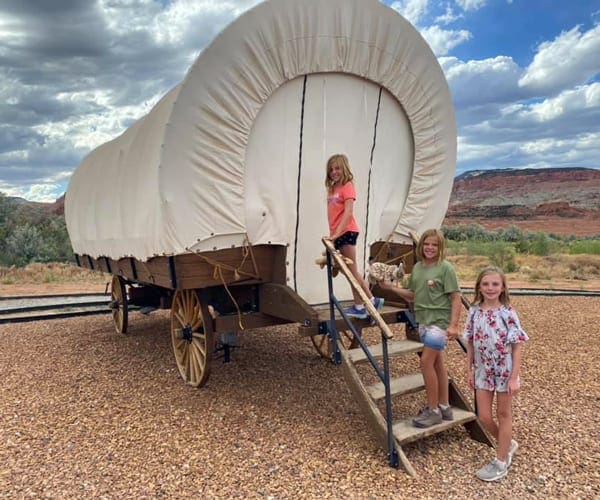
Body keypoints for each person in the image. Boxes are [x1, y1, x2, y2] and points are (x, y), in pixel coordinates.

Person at [378, 229, 461, 428]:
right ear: (421, 246)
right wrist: (390, 288)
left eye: (434, 245)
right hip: (423, 321)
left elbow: (456, 297)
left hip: (439, 323)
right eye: (426, 244)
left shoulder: (446, 268)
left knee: (425, 363)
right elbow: (413, 295)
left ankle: (433, 412)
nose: (430, 248)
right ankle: (444, 406)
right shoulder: (418, 269)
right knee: (437, 364)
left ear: (440, 247)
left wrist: (454, 325)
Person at [464, 266, 529, 482]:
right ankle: (507, 443)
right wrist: (470, 370)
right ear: (479, 287)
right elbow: (471, 343)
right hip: (483, 370)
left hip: (504, 370)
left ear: (502, 288)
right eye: (486, 284)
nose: (490, 288)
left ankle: (501, 461)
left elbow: (517, 347)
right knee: (483, 416)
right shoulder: (474, 311)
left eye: (495, 284)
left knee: (504, 414)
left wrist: (513, 378)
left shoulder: (508, 313)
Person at [325, 153, 384, 319]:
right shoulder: (333, 188)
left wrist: (336, 234)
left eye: (337, 168)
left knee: (351, 271)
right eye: (331, 169)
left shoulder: (347, 185)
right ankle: (371, 300)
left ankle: (363, 305)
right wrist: (333, 234)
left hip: (347, 231)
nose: (334, 172)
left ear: (344, 168)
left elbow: (348, 212)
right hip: (337, 233)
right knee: (348, 271)